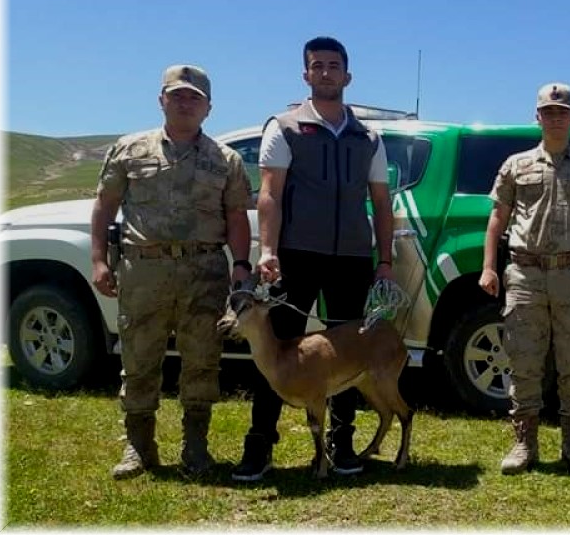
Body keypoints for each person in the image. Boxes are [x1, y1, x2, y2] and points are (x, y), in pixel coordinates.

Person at [232, 36, 395, 481]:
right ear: (306, 74)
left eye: (334, 65)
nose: (326, 72)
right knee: (277, 347)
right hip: (295, 256)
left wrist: (384, 261)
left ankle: (341, 446)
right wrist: (267, 251)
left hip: (353, 258)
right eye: (317, 65)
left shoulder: (369, 137)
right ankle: (259, 446)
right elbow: (269, 194)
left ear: (348, 75)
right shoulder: (284, 127)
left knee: (346, 352)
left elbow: (382, 203)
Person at [91, 64, 253, 479]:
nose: (185, 102)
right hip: (144, 269)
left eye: (194, 97)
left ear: (208, 108)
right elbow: (105, 205)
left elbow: (236, 216)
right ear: (161, 100)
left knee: (202, 360)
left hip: (204, 271)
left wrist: (240, 267)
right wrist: (98, 260)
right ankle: (139, 448)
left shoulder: (226, 160)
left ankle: (195, 448)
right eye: (177, 95)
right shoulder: (129, 150)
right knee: (139, 358)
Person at [480, 82, 570, 476]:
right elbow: (497, 219)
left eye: (562, 111)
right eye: (548, 111)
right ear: (537, 117)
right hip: (525, 273)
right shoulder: (515, 165)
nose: (555, 117)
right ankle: (525, 443)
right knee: (524, 361)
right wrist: (489, 266)